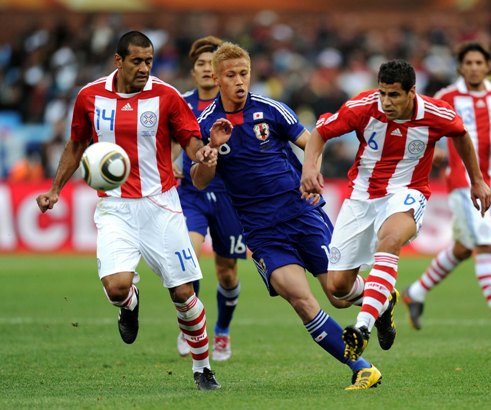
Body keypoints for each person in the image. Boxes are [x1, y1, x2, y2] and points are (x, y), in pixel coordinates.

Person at [191, 42, 391, 391]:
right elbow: (198, 179)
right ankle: (361, 368)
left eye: (244, 74)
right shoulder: (206, 124)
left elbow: (311, 140)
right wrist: (210, 153)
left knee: (338, 294)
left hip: (302, 214)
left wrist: (309, 170)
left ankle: (384, 299)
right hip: (262, 232)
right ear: (216, 78)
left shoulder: (271, 110)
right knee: (299, 299)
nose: (240, 81)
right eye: (231, 75)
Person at [35, 31, 221, 391]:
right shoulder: (90, 96)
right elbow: (77, 144)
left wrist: (203, 153)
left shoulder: (166, 95)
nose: (144, 68)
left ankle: (203, 368)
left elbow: (190, 138)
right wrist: (55, 190)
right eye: (136, 60)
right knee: (117, 287)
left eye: (149, 61)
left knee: (183, 293)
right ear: (118, 61)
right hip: (115, 207)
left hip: (162, 206)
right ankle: (130, 304)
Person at [300, 59, 491, 362]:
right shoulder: (363, 107)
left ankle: (362, 327)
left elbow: (461, 135)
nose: (386, 102)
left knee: (388, 240)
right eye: (382, 93)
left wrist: (478, 181)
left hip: (408, 192)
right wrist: (309, 169)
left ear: (411, 92)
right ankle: (384, 302)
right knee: (338, 288)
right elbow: (320, 132)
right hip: (361, 196)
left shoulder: (435, 113)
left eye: (394, 95)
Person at [402, 42, 491, 337]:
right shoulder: (447, 96)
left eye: (478, 63)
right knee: (485, 244)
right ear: (460, 67)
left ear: (488, 67)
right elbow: (422, 129)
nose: (473, 67)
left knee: (463, 248)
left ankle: (415, 292)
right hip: (462, 182)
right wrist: (435, 152)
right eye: (467, 62)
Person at [175, 35, 246, 361]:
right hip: (192, 193)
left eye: (210, 64)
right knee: (188, 260)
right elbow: (167, 142)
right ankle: (191, 326)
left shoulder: (235, 103)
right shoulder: (180, 104)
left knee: (227, 272)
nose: (206, 69)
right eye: (200, 64)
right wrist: (172, 163)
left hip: (229, 197)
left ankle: (223, 332)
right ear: (194, 71)